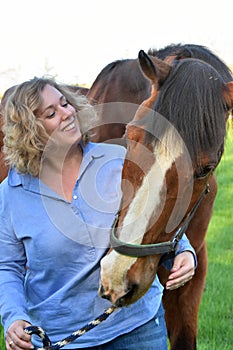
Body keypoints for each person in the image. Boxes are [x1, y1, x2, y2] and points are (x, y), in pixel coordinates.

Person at [0, 77, 196, 350]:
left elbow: (153, 216)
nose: (67, 113)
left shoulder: (116, 161)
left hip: (136, 327)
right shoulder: (11, 194)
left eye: (65, 103)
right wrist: (14, 317)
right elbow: (7, 266)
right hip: (63, 336)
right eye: (51, 113)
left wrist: (183, 250)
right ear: (29, 130)